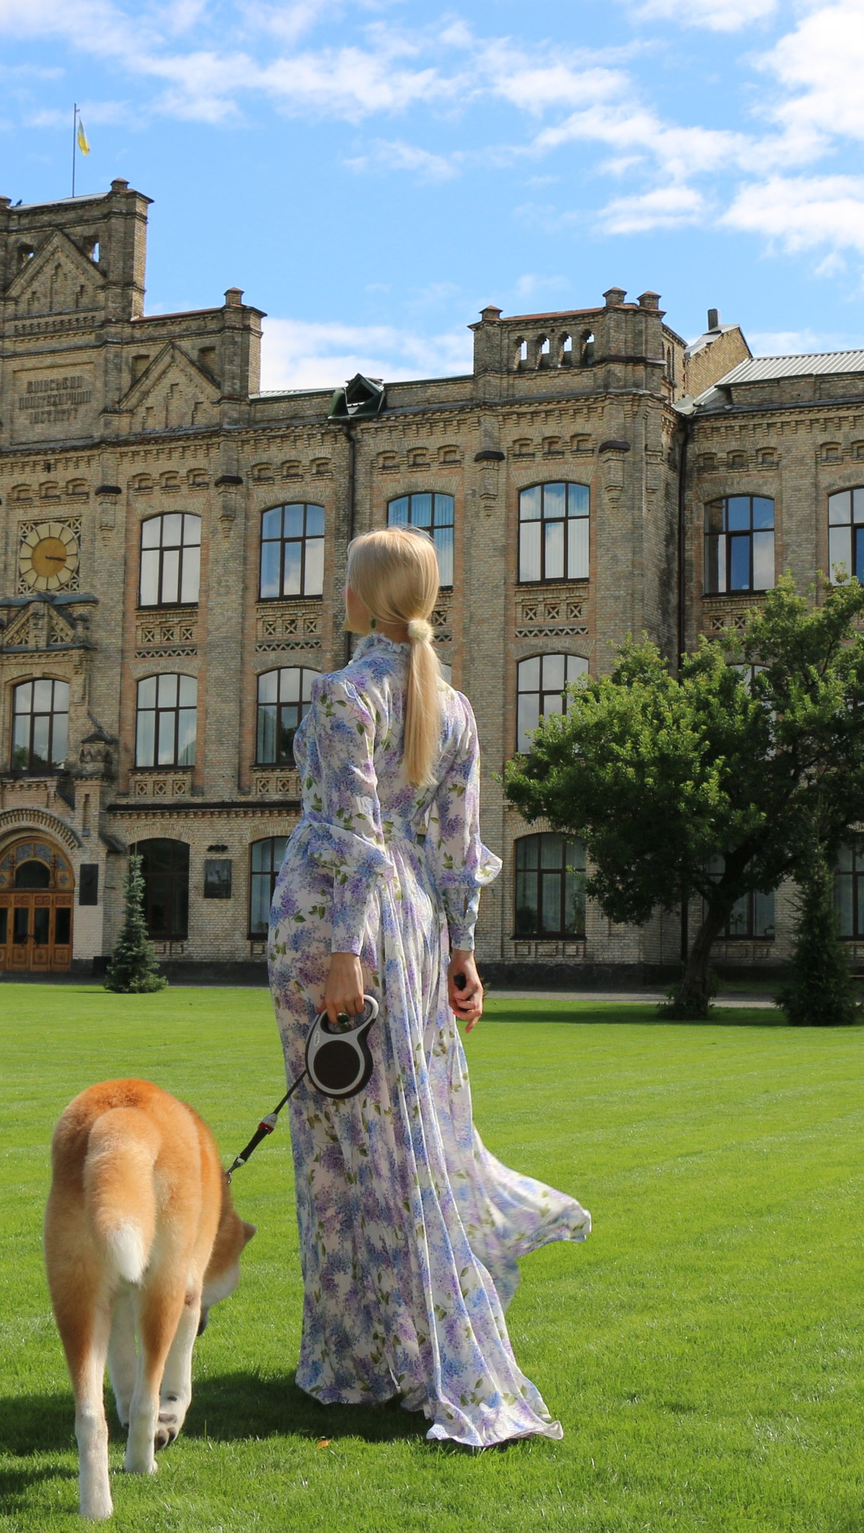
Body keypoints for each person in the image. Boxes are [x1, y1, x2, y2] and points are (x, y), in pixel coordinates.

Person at [264, 526, 590, 1448]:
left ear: (365, 599)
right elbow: (452, 847)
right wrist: (463, 950)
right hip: (408, 933)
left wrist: (344, 954)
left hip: (342, 934)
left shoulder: (342, 696)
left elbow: (351, 839)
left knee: (340, 1150)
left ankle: (361, 1357)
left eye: (345, 584)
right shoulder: (455, 708)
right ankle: (392, 1351)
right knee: (406, 1142)